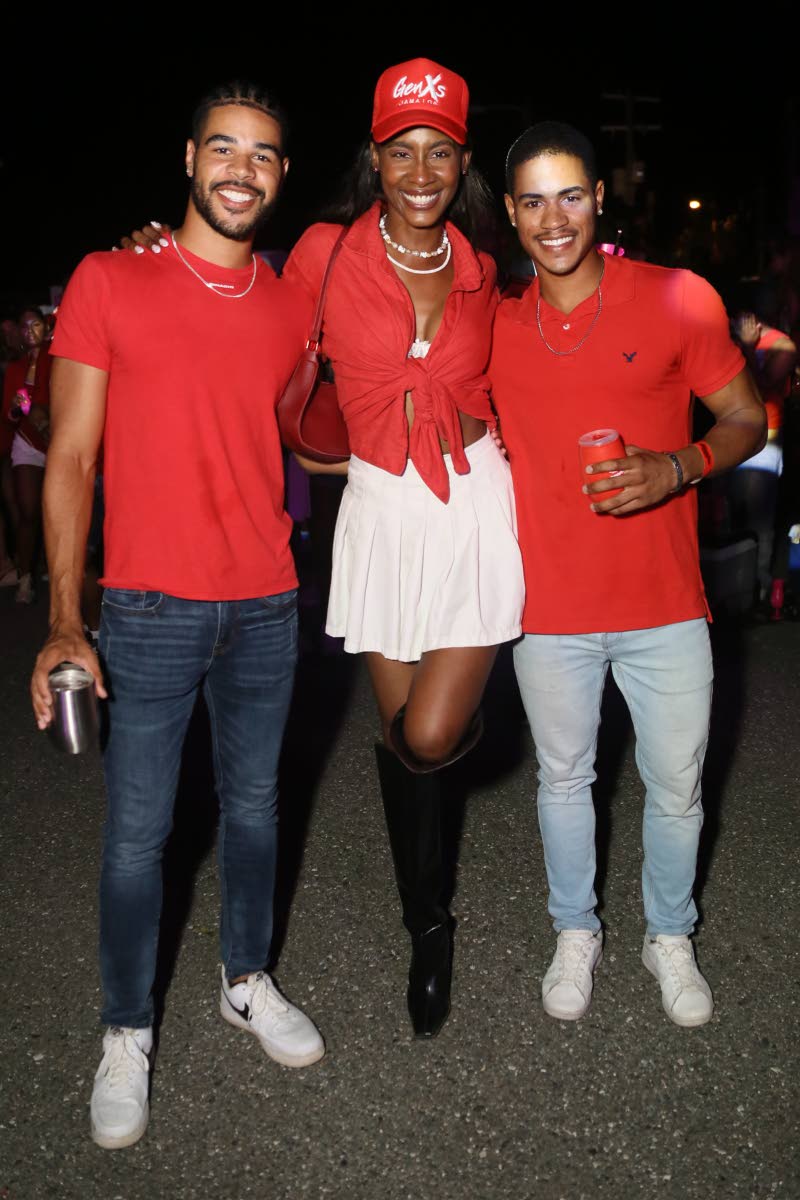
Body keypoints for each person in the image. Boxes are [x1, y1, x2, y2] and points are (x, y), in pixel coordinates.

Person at [30, 82, 325, 1152]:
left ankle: (246, 979)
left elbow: (308, 436)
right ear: (190, 159)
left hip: (267, 601)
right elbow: (70, 458)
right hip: (148, 606)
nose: (243, 169)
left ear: (281, 176)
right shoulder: (110, 278)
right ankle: (125, 1030)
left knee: (255, 811)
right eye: (225, 149)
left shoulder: (293, 306)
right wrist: (65, 620)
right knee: (136, 838)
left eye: (264, 154)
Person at [491, 122, 766, 1028]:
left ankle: (668, 935)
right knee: (563, 781)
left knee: (677, 787)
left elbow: (747, 416)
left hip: (666, 605)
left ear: (600, 198)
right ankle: (576, 929)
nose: (554, 219)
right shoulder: (494, 323)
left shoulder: (678, 297)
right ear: (512, 213)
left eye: (570, 195)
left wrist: (679, 466)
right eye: (533, 201)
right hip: (548, 610)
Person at [283, 59, 524, 1037]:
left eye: (439, 151)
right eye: (401, 150)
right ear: (374, 159)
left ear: (462, 162)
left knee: (427, 735)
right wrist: (158, 255)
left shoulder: (484, 269)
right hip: (380, 508)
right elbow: (253, 333)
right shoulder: (323, 254)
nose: (420, 170)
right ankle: (428, 926)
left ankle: (476, 723)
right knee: (402, 738)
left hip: (472, 503)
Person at [2, 307, 52, 602]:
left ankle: (59, 569)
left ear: (46, 328)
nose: (29, 330)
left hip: (58, 442)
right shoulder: (16, 368)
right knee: (28, 510)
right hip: (27, 442)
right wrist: (16, 408)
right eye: (24, 326)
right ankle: (25, 577)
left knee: (56, 511)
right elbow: (11, 416)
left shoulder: (58, 361)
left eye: (35, 324)